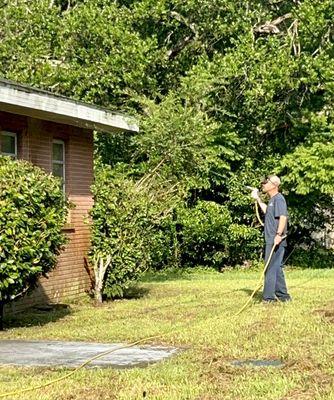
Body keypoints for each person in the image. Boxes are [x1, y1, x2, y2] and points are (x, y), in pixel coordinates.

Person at [251, 175, 291, 303]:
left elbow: (283, 217)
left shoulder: (279, 199)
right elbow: (267, 211)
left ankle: (268, 298)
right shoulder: (273, 200)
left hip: (276, 239)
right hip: (272, 238)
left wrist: (278, 235)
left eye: (265, 183)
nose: (263, 185)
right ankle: (283, 296)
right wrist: (257, 198)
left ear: (274, 185)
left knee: (270, 268)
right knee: (276, 267)